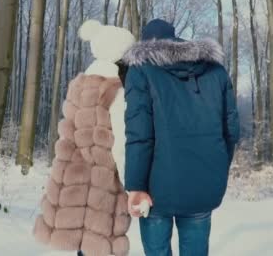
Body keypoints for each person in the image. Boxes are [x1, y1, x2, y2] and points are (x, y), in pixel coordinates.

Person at [121, 19, 240, 256]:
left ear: (145, 42)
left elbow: (139, 134)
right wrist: (216, 167)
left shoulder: (140, 69)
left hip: (155, 189)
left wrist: (135, 186)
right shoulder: (216, 70)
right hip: (203, 183)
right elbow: (231, 130)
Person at [33, 20, 135, 256]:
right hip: (103, 179)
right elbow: (121, 140)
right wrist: (132, 182)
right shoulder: (116, 90)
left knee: (82, 243)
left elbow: (67, 131)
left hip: (72, 174)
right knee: (99, 243)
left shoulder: (78, 84)